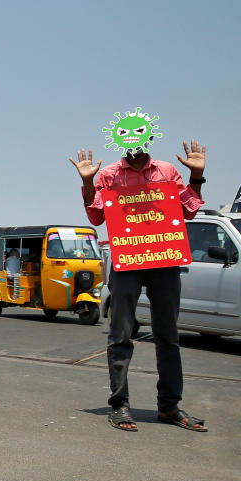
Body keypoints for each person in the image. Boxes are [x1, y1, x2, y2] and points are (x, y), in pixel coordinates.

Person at [70, 140, 209, 433]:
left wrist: (196, 176)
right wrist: (87, 182)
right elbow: (97, 217)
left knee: (168, 335)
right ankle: (119, 405)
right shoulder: (108, 175)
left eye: (140, 134)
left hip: (164, 259)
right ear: (118, 139)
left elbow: (190, 211)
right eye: (126, 135)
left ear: (149, 137)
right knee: (120, 335)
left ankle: (169, 406)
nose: (133, 141)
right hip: (126, 260)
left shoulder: (167, 171)